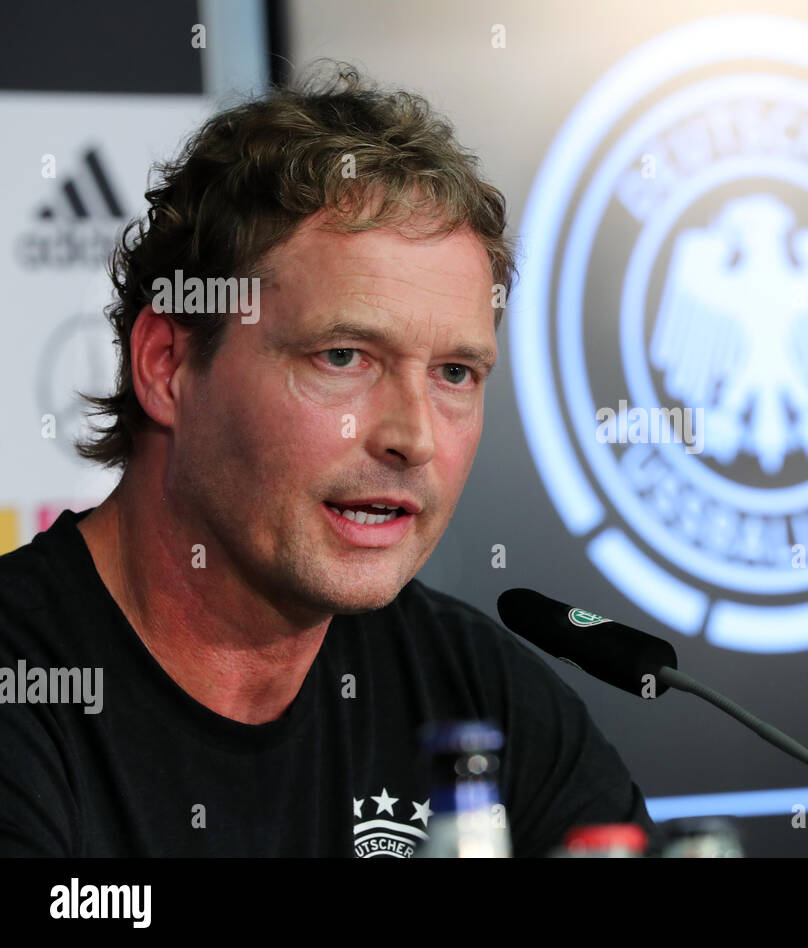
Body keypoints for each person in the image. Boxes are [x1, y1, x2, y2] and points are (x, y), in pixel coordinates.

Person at [0, 62, 659, 858]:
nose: (412, 436)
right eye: (343, 357)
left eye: (455, 373)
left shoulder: (480, 696)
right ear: (168, 366)